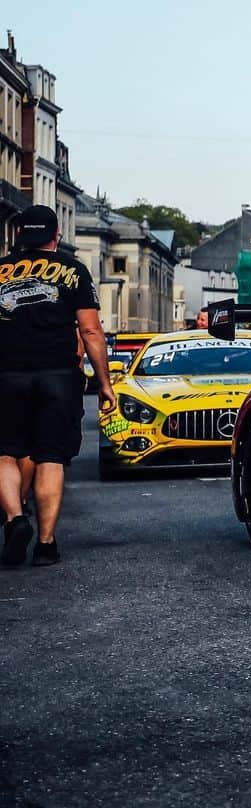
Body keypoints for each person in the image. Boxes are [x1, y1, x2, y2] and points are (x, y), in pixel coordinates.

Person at [0, 206, 116, 567]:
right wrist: (104, 382)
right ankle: (47, 544)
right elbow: (91, 331)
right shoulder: (73, 270)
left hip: (5, 374)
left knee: (4, 453)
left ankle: (16, 518)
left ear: (18, 235)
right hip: (58, 375)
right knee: (50, 457)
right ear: (56, 236)